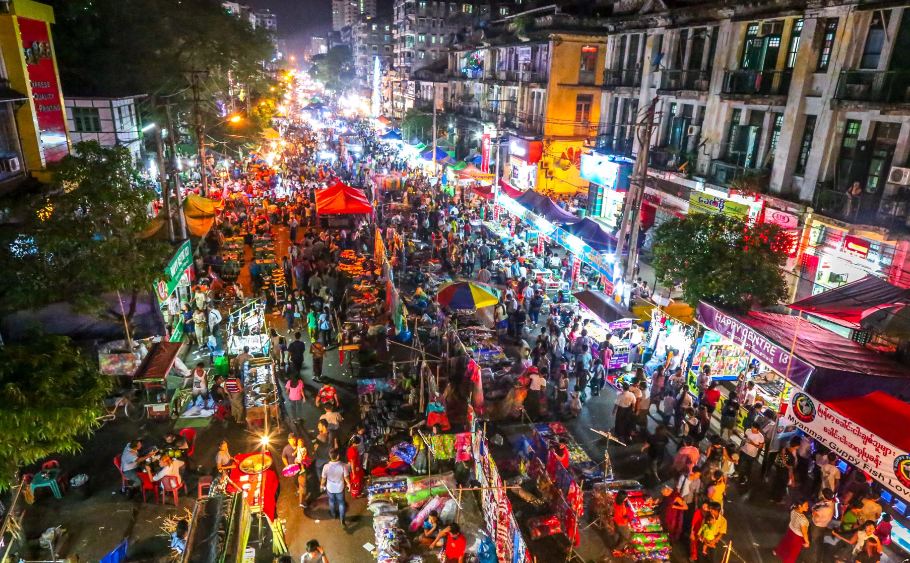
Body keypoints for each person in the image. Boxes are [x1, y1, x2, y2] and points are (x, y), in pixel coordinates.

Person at [773, 499, 811, 563]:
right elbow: (804, 533)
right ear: (799, 506)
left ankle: (778, 552)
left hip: (790, 531)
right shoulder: (803, 520)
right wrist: (807, 542)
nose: (807, 507)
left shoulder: (793, 510)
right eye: (806, 505)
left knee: (785, 543)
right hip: (797, 538)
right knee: (792, 553)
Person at [321, 449, 351, 526]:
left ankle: (333, 515)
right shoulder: (343, 466)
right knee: (341, 503)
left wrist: (322, 485)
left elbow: (323, 478)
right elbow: (346, 477)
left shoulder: (326, 467)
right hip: (339, 488)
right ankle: (342, 519)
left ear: (330, 456)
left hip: (330, 488)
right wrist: (349, 485)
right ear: (338, 456)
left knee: (331, 501)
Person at [805, 488, 836, 563]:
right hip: (823, 525)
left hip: (817, 526)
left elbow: (816, 514)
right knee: (817, 543)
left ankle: (812, 560)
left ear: (824, 496)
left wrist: (813, 510)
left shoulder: (825, 508)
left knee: (814, 543)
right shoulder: (831, 503)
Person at [737, 422, 765, 486]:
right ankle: (739, 475)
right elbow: (744, 439)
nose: (752, 429)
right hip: (744, 450)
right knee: (740, 463)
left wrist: (752, 443)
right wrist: (740, 447)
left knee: (748, 467)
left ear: (758, 429)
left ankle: (746, 477)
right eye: (751, 427)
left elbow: (760, 447)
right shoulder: (748, 431)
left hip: (752, 454)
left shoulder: (761, 437)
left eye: (753, 429)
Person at [611, 490, 633, 555]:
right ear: (623, 498)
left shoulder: (616, 501)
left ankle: (616, 544)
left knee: (619, 534)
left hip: (616, 522)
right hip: (622, 524)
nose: (627, 498)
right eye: (626, 497)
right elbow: (622, 517)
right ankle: (616, 550)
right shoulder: (621, 507)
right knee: (626, 538)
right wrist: (629, 515)